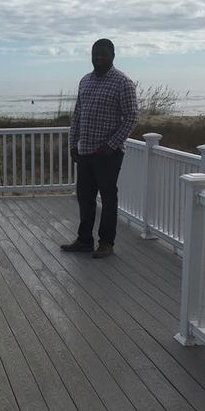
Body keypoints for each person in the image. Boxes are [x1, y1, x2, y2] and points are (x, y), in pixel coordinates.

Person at [61, 38, 139, 258]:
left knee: (108, 199)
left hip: (108, 154)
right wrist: (73, 144)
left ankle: (106, 243)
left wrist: (111, 145)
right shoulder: (85, 81)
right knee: (85, 198)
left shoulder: (123, 82)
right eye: (96, 53)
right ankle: (84, 240)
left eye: (104, 54)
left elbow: (132, 117)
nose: (99, 57)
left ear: (112, 55)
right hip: (85, 151)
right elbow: (78, 114)